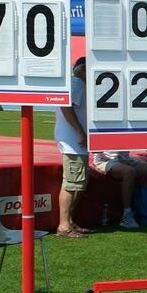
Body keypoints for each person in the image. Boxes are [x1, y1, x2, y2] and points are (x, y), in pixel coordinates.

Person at [54, 57, 89, 238]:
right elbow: (66, 107)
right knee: (71, 183)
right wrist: (80, 132)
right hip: (73, 143)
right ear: (82, 70)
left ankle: (69, 222)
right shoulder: (76, 84)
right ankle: (64, 225)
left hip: (74, 142)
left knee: (77, 182)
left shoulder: (76, 84)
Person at [90, 150, 147, 229]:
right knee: (129, 172)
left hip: (126, 160)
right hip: (105, 161)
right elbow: (94, 148)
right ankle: (127, 216)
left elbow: (143, 141)